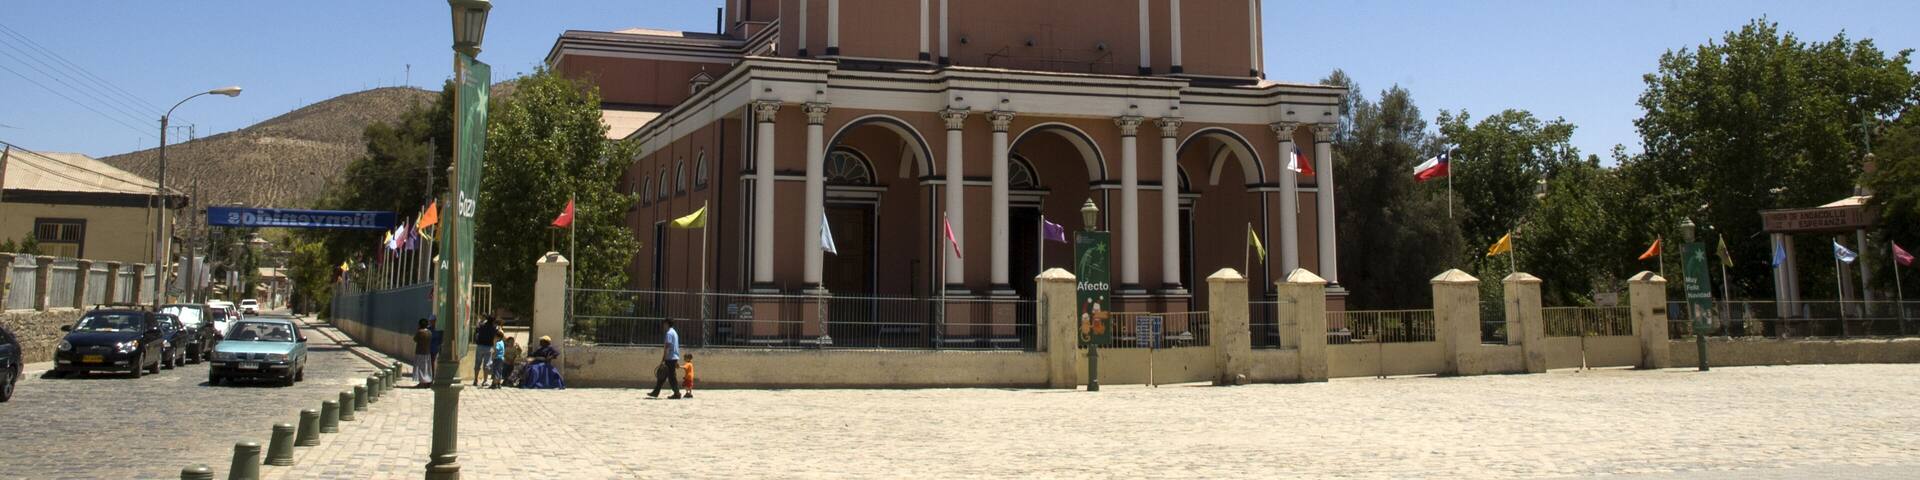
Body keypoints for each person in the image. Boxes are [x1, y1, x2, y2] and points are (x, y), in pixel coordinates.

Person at [648, 318, 682, 399]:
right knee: (663, 375)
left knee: (671, 377)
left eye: (664, 323)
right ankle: (656, 392)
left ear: (667, 323)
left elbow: (668, 346)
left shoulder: (669, 333)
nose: (663, 325)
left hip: (670, 358)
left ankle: (677, 393)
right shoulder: (674, 332)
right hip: (673, 357)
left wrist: (663, 358)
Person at [471, 316, 500, 386]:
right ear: (493, 321)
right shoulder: (494, 328)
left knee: (477, 363)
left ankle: (475, 380)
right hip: (489, 347)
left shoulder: (481, 326)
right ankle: (485, 381)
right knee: (487, 365)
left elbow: (477, 331)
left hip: (480, 346)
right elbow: (497, 336)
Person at [412, 318, 434, 387]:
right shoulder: (429, 332)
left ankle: (422, 383)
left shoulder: (420, 332)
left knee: (420, 368)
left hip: (420, 352)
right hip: (427, 352)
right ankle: (427, 381)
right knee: (426, 368)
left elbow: (415, 339)